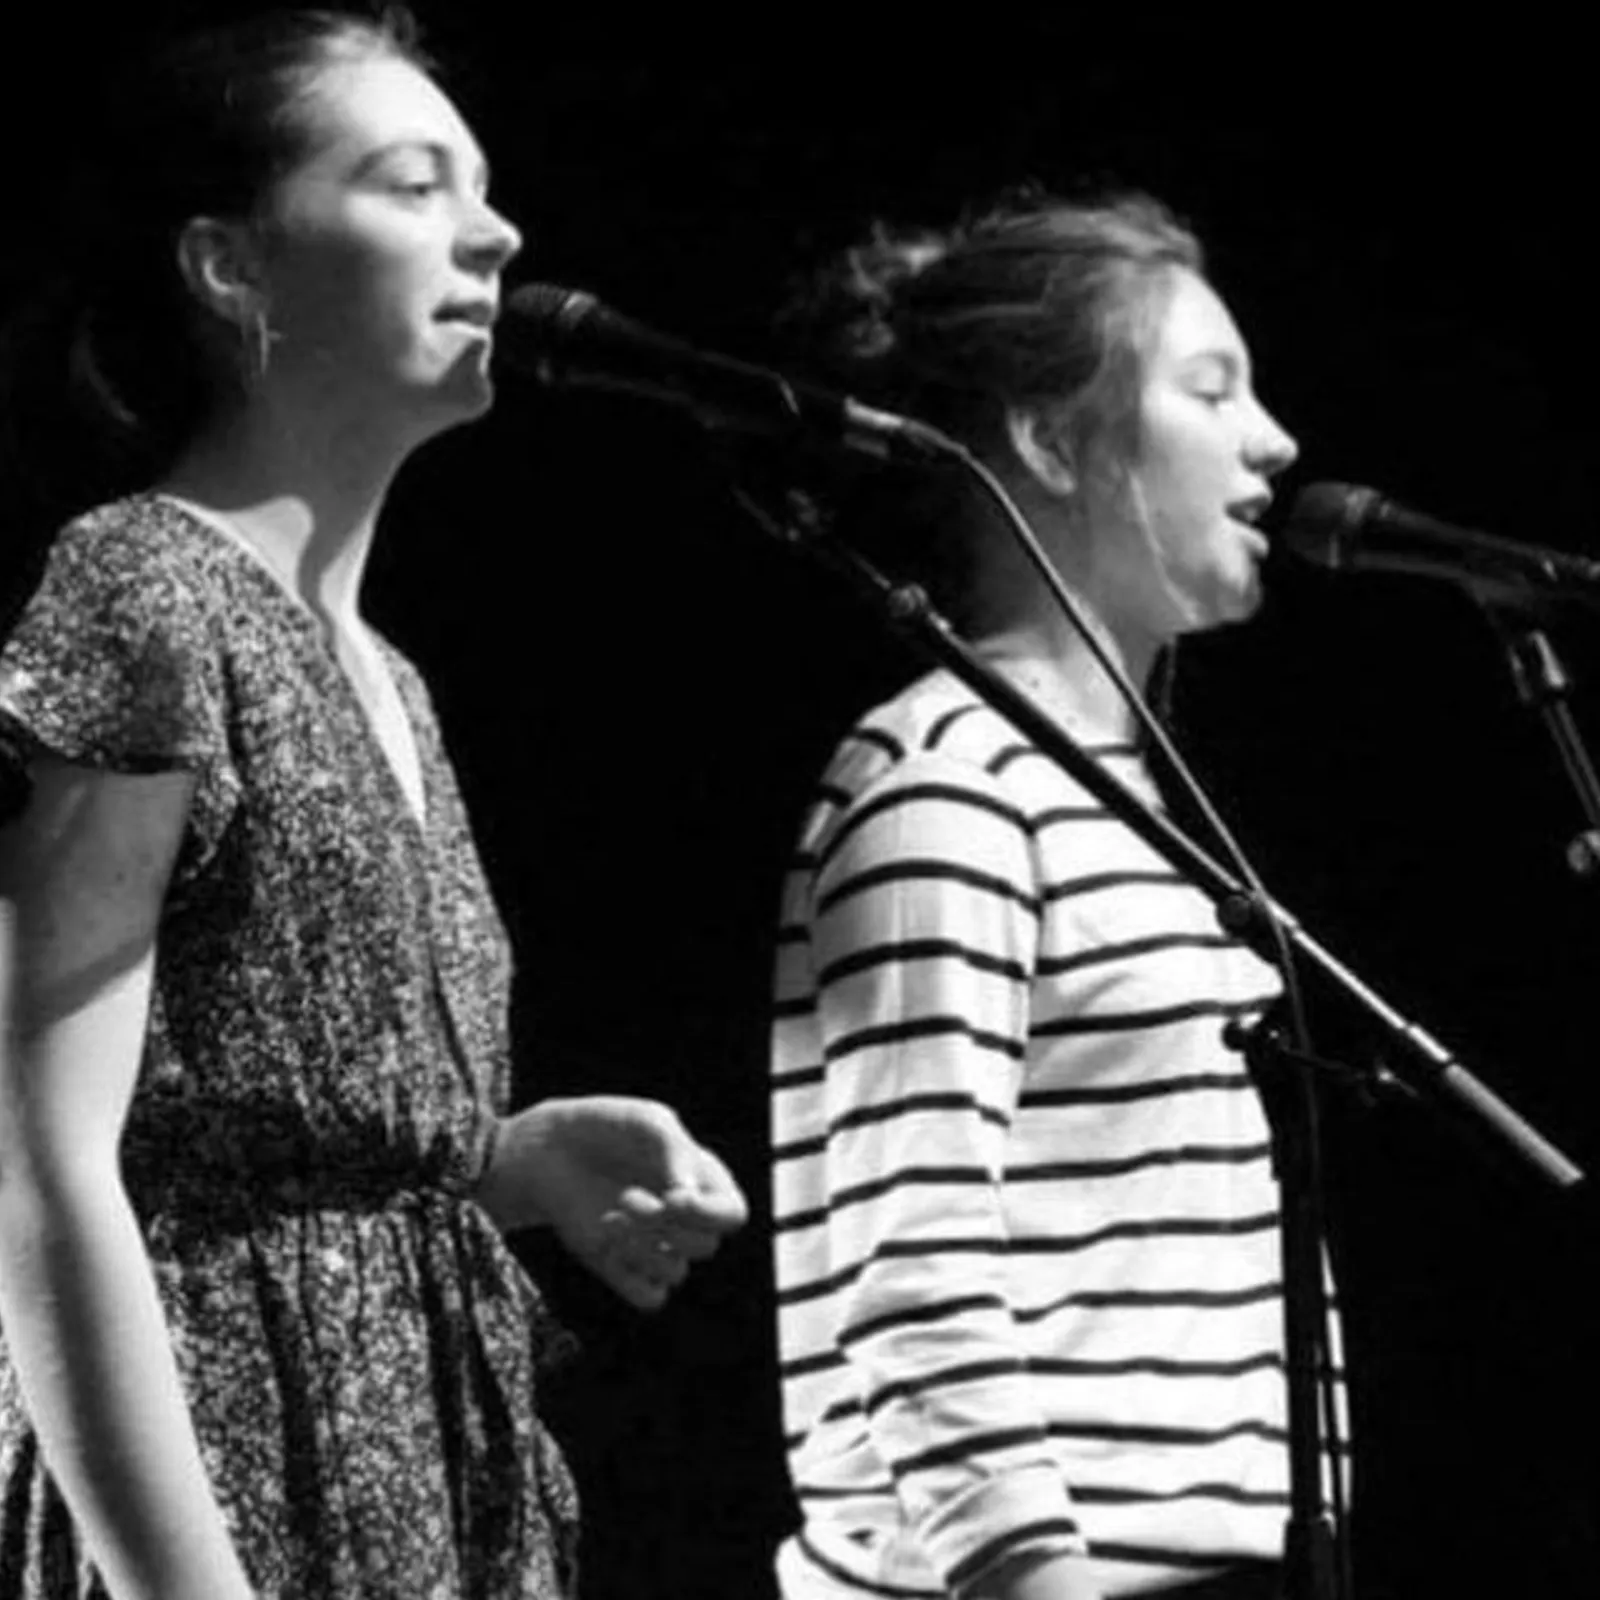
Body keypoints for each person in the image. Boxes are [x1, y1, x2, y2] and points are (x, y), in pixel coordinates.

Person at [0, 9, 746, 1599]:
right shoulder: (144, 590)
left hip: (423, 1471)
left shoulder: (390, 675)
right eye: (415, 185)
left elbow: (252, 1118)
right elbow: (38, 1161)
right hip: (214, 1482)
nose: (498, 231)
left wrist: (504, 1158)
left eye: (483, 188)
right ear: (231, 266)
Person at [770, 192, 1317, 1600]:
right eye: (1213, 390)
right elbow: (911, 1250)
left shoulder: (1121, 802)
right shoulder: (945, 785)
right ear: (1051, 440)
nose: (1276, 443)